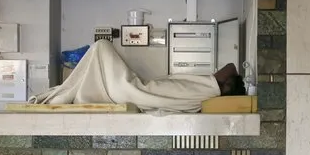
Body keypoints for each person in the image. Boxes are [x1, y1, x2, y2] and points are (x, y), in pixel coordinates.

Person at [30, 39, 246, 113]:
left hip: (131, 91)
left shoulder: (208, 89)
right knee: (99, 51)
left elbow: (230, 66)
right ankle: (66, 92)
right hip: (134, 90)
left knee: (102, 46)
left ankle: (64, 93)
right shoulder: (202, 92)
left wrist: (237, 79)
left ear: (226, 86)